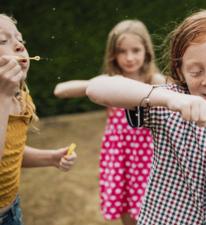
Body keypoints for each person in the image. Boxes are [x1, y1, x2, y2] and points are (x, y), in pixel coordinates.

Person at [86, 10, 206, 225]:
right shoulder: (166, 105)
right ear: (180, 71)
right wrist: (168, 99)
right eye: (195, 71)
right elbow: (96, 88)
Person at [54, 20, 164, 225]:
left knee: (152, 208)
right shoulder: (109, 82)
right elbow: (60, 90)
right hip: (120, 156)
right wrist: (99, 85)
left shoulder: (155, 80)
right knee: (127, 208)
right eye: (122, 51)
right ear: (113, 54)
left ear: (147, 51)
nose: (129, 57)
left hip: (149, 157)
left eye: (136, 50)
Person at [0, 14, 77, 225]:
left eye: (20, 39)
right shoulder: (6, 97)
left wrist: (51, 158)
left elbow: (10, 152)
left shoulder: (20, 97)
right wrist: (3, 98)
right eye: (2, 41)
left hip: (11, 211)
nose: (18, 46)